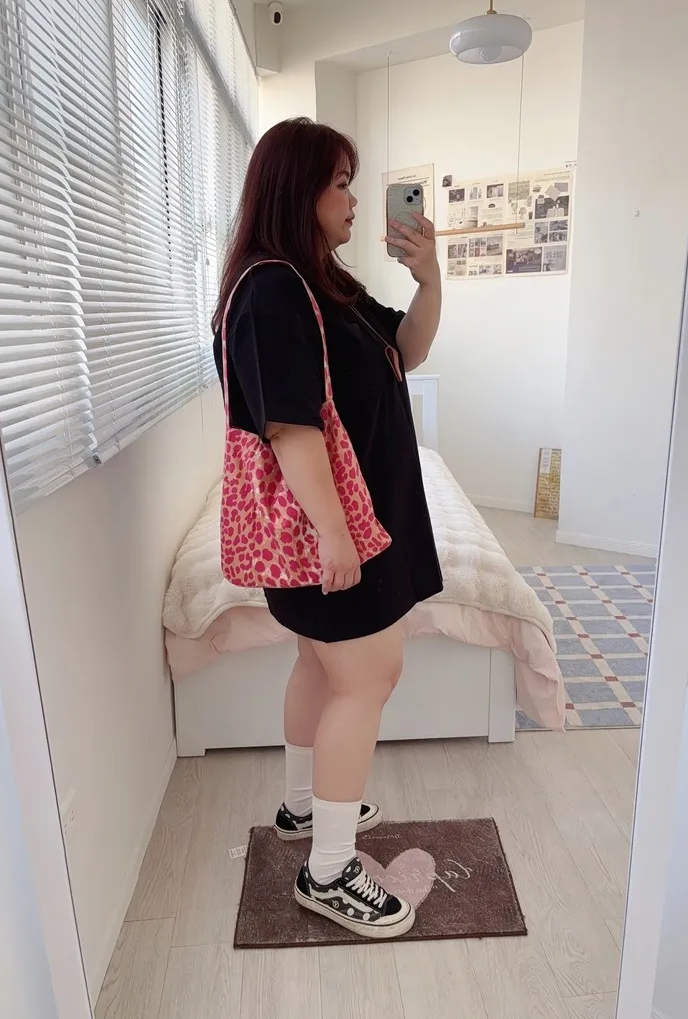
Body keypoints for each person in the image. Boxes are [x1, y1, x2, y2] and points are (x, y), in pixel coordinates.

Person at [212, 118, 443, 939]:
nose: (352, 198)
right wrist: (337, 536)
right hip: (336, 533)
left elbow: (405, 352)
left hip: (350, 525)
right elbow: (289, 427)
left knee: (321, 665)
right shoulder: (273, 289)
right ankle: (329, 872)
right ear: (297, 189)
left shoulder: (319, 283)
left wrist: (429, 279)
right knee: (366, 679)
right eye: (340, 182)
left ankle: (302, 807)